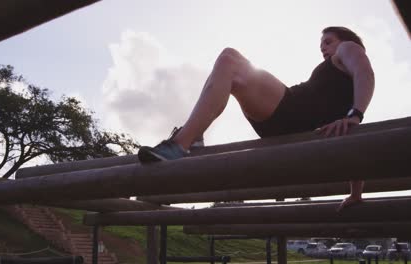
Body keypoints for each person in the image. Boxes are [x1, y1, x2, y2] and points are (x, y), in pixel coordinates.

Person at [137, 26, 375, 211]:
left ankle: (181, 143)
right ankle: (192, 136)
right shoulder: (339, 89)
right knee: (229, 66)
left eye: (328, 41)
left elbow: (365, 72)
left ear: (344, 39)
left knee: (230, 60)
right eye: (321, 44)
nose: (323, 47)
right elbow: (350, 146)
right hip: (285, 117)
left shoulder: (349, 48)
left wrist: (356, 114)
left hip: (290, 111)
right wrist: (356, 193)